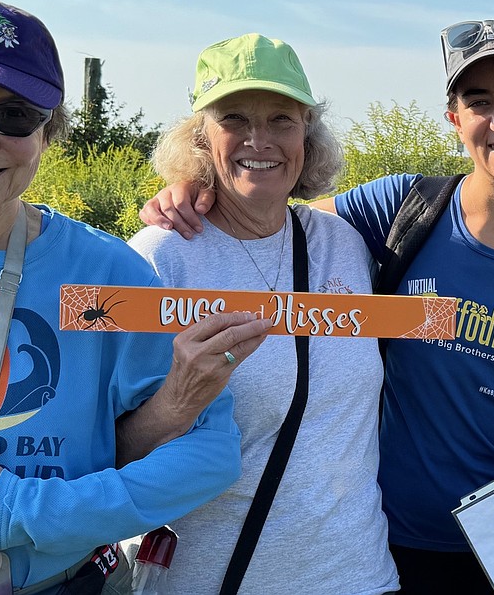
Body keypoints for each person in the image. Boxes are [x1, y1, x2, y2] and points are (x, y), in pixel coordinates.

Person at [136, 17, 494, 593]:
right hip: (391, 548)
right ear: (455, 120)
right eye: (478, 101)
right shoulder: (399, 210)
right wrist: (187, 192)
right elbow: (268, 210)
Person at [0, 0, 272, 594]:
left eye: (14, 115)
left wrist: (28, 511)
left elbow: (209, 450)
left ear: (47, 135)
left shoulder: (107, 274)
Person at [119, 33, 399, 594]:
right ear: (201, 136)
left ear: (307, 134)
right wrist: (178, 399)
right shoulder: (157, 257)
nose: (259, 139)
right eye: (234, 119)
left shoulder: (341, 243)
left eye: (281, 119)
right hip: (210, 578)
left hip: (357, 575)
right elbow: (105, 451)